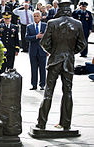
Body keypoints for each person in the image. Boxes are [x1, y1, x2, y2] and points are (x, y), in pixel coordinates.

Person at [35, 1, 86, 130]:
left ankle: (41, 123)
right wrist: (70, 53)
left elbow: (44, 42)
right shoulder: (77, 23)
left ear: (59, 9)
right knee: (67, 92)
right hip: (68, 61)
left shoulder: (52, 23)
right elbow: (82, 44)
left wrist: (55, 52)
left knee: (48, 91)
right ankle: (66, 123)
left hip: (55, 60)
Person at [25, 10, 47, 90]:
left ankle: (42, 84)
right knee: (33, 68)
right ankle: (34, 84)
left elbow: (49, 38)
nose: (36, 18)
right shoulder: (29, 26)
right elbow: (27, 38)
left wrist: (48, 50)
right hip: (33, 51)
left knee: (42, 68)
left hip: (42, 50)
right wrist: (36, 37)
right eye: (34, 16)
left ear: (40, 17)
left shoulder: (45, 26)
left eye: (37, 16)